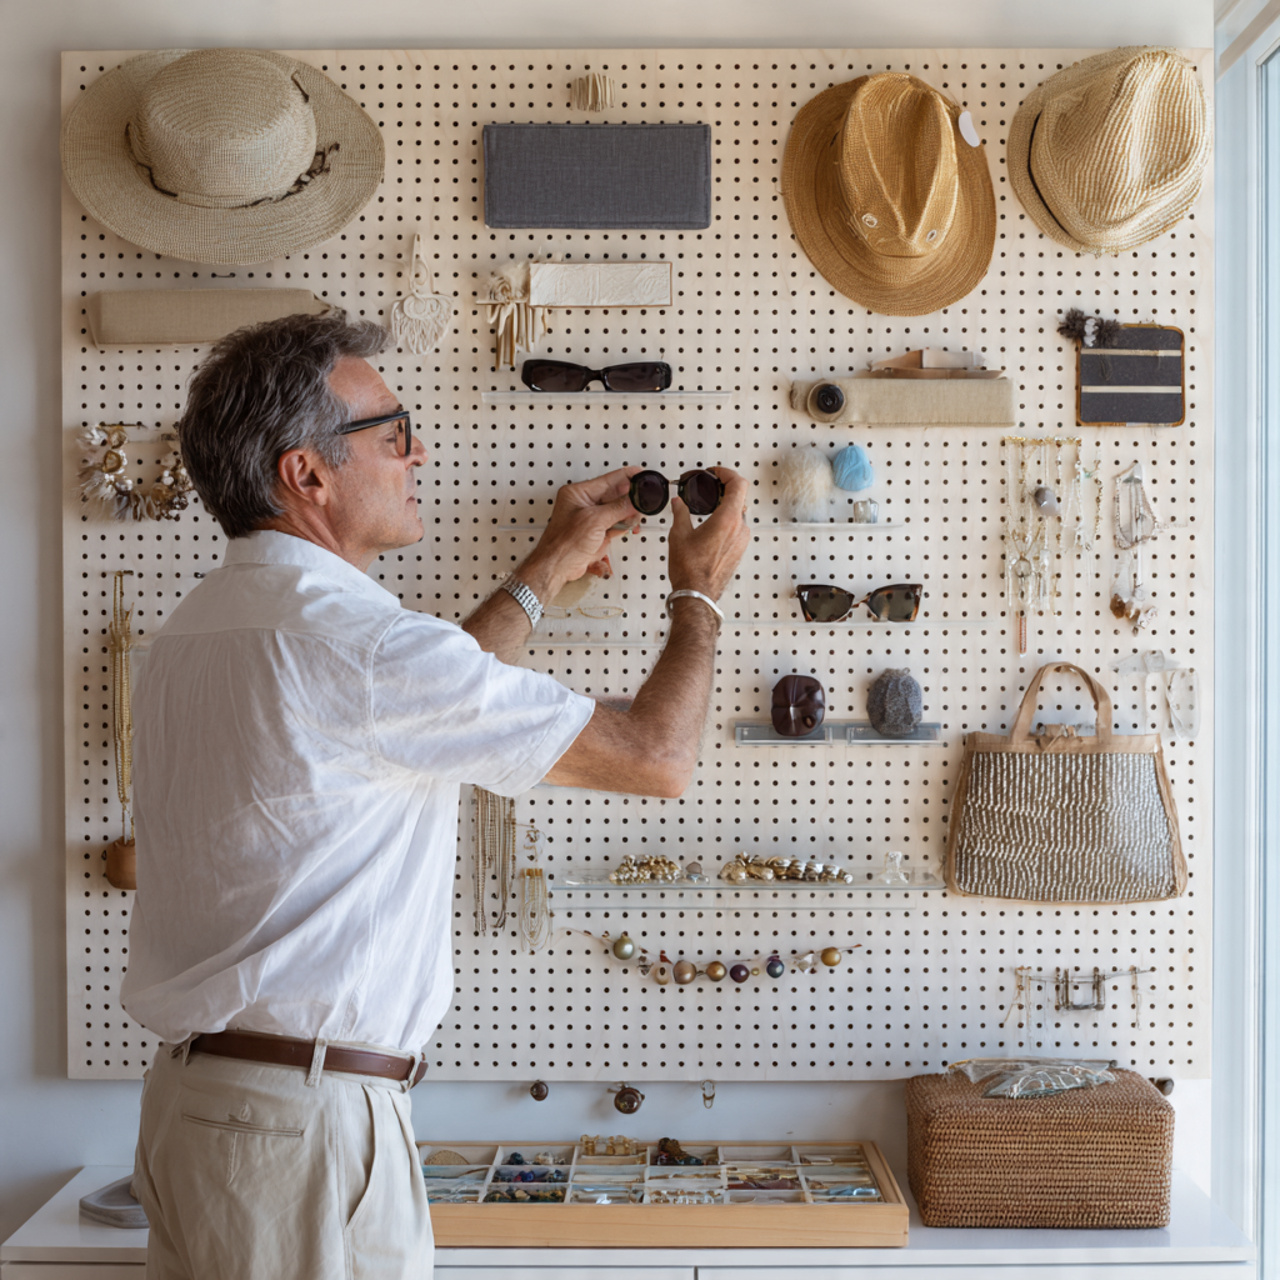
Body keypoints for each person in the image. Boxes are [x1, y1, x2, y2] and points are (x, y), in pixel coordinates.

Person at [120, 311, 751, 1280]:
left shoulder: (202, 625)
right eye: (394, 431)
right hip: (304, 1132)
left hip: (200, 1113)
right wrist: (698, 594)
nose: (419, 451)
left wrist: (546, 569)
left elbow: (414, 704)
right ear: (307, 473)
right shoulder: (363, 648)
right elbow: (656, 758)